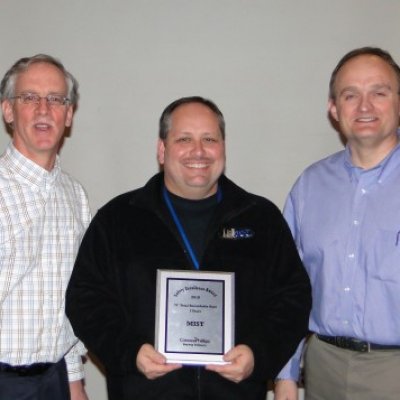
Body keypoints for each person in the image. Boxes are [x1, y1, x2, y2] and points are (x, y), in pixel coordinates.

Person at [66, 96, 311, 400]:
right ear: (162, 149)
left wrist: (257, 355)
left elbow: (293, 299)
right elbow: (86, 300)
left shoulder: (261, 219)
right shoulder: (118, 219)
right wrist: (130, 352)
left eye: (210, 139)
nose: (199, 151)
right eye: (184, 139)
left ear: (223, 147)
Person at [274, 47, 400, 400]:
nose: (364, 106)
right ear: (334, 109)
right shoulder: (309, 186)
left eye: (379, 92)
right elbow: (288, 289)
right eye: (350, 95)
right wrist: (285, 376)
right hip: (323, 367)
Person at [0, 54, 90, 400]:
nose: (43, 109)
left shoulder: (75, 197)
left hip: (54, 382)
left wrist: (74, 382)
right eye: (29, 97)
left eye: (56, 99)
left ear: (68, 115)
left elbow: (68, 302)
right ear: (8, 110)